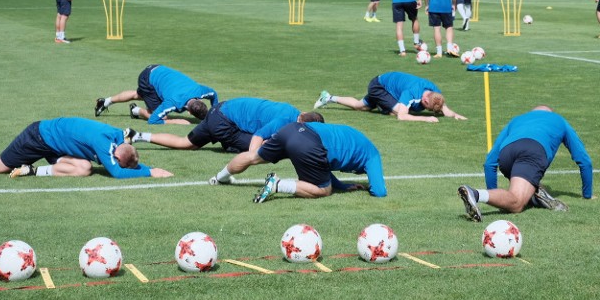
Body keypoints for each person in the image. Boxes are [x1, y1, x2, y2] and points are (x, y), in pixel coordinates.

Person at [458, 106, 594, 222]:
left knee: (524, 187)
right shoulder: (559, 120)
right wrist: (587, 195)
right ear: (550, 112)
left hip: (506, 154)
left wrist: (494, 194)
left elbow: (489, 163)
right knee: (516, 203)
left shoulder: (517, 120)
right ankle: (475, 194)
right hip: (532, 151)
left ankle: (535, 196)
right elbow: (583, 160)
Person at [209, 121, 387, 202]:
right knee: (324, 190)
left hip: (293, 129)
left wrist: (342, 185)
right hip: (310, 144)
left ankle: (220, 177)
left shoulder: (359, 140)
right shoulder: (373, 156)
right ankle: (278, 185)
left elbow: (323, 165)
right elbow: (379, 191)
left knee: (253, 156)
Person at [0, 117, 172, 179]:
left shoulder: (118, 137)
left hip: (58, 147)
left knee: (85, 168)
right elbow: (117, 172)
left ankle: (32, 170)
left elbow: (124, 162)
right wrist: (149, 172)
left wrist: (142, 166)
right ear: (115, 154)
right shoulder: (105, 144)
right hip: (38, 137)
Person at [131, 98, 323, 153]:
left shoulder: (292, 110)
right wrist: (252, 157)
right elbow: (258, 137)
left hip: (221, 109)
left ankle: (139, 136)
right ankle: (230, 146)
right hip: (224, 122)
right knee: (269, 147)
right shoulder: (285, 121)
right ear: (302, 122)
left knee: (187, 143)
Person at [313, 71, 466, 123]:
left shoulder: (434, 92)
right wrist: (426, 119)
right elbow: (401, 117)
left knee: (361, 106)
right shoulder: (412, 93)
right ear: (425, 100)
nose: (430, 111)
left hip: (388, 87)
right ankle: (383, 106)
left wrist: (455, 115)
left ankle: (328, 97)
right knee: (399, 110)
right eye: (429, 108)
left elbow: (444, 108)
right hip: (379, 86)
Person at [95, 64, 218, 125]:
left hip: (158, 69)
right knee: (162, 116)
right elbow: (153, 120)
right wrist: (176, 121)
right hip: (148, 80)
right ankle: (136, 111)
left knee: (137, 95)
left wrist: (214, 111)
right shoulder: (173, 102)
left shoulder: (201, 90)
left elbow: (214, 94)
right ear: (189, 113)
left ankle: (105, 101)